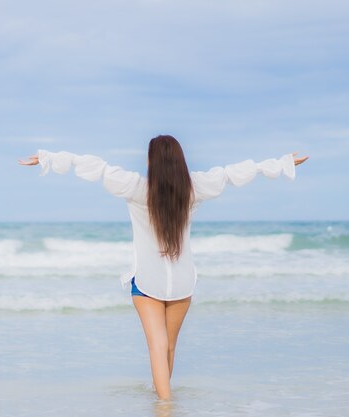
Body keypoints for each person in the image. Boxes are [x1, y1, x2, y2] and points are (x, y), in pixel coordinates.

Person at [18, 134, 309, 401]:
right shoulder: (193, 189)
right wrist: (281, 164)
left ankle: (164, 406)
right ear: (181, 161)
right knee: (168, 347)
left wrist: (48, 158)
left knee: (157, 347)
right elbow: (232, 174)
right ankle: (164, 399)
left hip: (147, 282)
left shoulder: (136, 188)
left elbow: (98, 168)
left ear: (150, 161)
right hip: (182, 282)